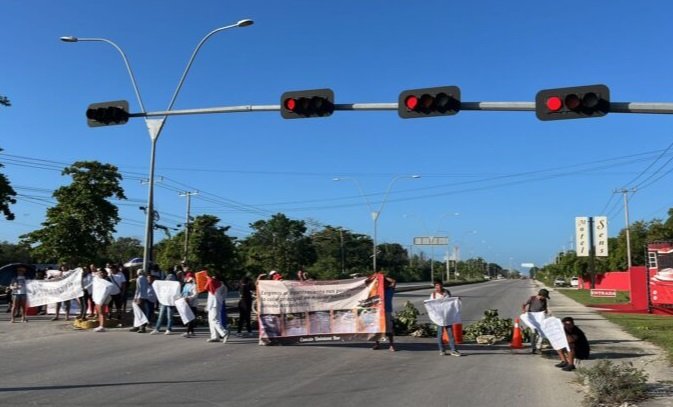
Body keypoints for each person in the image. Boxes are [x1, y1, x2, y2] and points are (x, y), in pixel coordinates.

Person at [430, 279, 461, 357]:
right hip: (439, 318)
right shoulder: (433, 295)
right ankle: (442, 350)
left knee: (450, 334)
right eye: (436, 285)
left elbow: (450, 302)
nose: (438, 286)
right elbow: (431, 305)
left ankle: (453, 350)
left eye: (439, 285)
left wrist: (456, 299)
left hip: (447, 316)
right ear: (435, 286)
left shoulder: (447, 292)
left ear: (442, 285)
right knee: (440, 334)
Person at [371, 270, 397, 352]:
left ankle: (391, 345)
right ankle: (377, 344)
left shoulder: (390, 290)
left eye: (384, 282)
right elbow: (367, 283)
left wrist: (383, 277)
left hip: (387, 311)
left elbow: (394, 281)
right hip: (377, 311)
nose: (382, 283)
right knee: (376, 329)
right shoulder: (376, 291)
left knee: (389, 329)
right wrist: (376, 277)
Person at [522, 288, 550, 354]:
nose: (545, 298)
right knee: (533, 331)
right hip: (532, 317)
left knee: (542, 332)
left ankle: (538, 346)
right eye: (544, 297)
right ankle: (533, 348)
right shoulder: (532, 298)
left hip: (540, 317)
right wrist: (523, 310)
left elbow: (545, 308)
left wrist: (546, 312)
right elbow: (524, 304)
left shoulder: (544, 300)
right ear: (541, 295)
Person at [204, 274, 229, 343]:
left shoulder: (217, 283)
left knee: (214, 320)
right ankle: (215, 336)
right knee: (212, 320)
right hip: (214, 304)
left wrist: (207, 277)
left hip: (214, 304)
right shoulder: (218, 284)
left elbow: (210, 282)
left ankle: (224, 332)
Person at [151, 271, 177, 335]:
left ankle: (169, 329)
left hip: (170, 303)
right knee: (160, 316)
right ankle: (157, 329)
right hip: (164, 302)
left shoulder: (174, 286)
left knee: (169, 317)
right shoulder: (165, 286)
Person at [181, 272, 198, 338]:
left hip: (192, 304)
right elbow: (183, 293)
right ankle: (192, 331)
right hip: (185, 304)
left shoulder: (194, 286)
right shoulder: (186, 286)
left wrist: (188, 298)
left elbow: (195, 295)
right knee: (189, 318)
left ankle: (187, 332)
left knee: (190, 318)